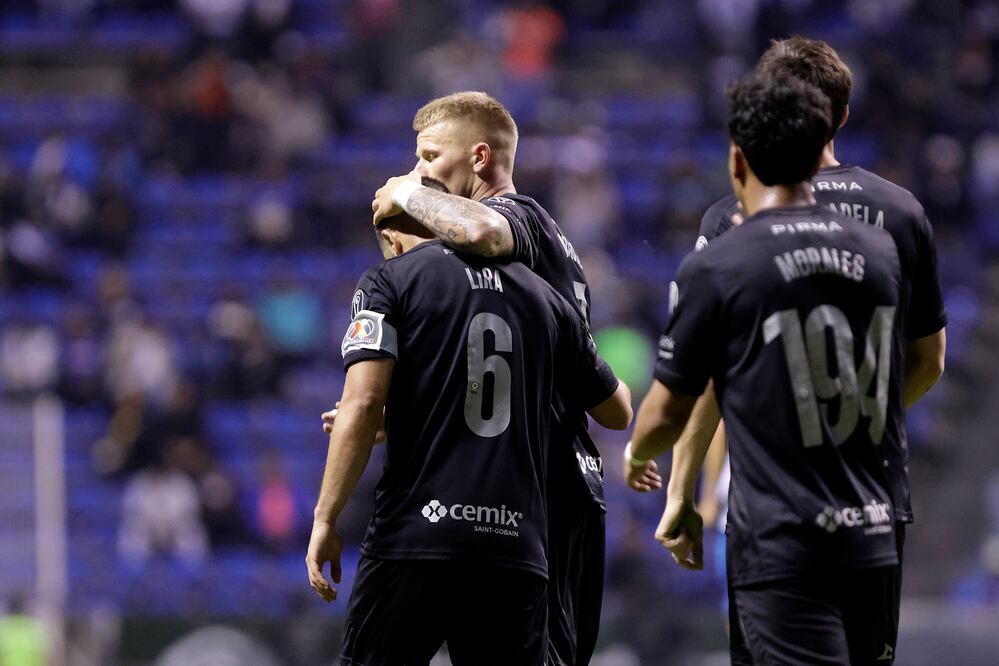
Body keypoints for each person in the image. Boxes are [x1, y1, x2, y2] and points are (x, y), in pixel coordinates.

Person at [647, 36, 948, 665]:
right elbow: (929, 362)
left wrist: (687, 491)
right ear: (839, 117)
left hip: (773, 508)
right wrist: (852, 426)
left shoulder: (730, 223)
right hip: (873, 498)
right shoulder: (901, 214)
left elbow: (705, 384)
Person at [367, 91, 648, 665]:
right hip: (551, 488)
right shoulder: (545, 266)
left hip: (537, 492)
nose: (419, 171)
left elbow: (483, 234)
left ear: (477, 158)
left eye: (428, 156)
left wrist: (404, 194)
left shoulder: (523, 221)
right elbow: (607, 401)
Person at [305, 199, 632, 665]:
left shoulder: (392, 280)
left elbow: (361, 402)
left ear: (393, 239)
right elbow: (617, 411)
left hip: (418, 533)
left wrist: (325, 518)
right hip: (515, 545)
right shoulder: (543, 297)